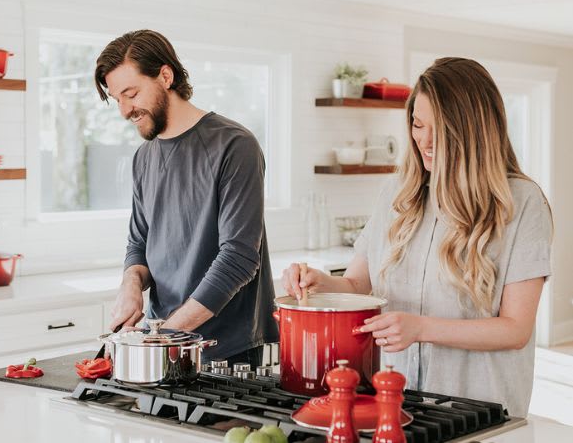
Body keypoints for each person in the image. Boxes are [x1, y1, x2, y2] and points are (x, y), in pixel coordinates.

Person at [282, 57, 552, 416]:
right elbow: (359, 284)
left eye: (439, 128)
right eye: (417, 124)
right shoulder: (397, 193)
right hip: (394, 402)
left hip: (477, 409)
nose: (424, 140)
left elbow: (515, 329)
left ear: (474, 130)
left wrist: (422, 328)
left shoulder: (521, 203)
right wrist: (321, 283)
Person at [94, 29, 279, 366]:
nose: (124, 110)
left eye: (130, 93)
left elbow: (239, 258)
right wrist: (131, 285)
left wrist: (163, 337)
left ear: (166, 76)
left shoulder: (234, 145)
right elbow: (139, 244)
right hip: (162, 338)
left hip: (226, 350)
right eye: (116, 98)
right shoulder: (144, 157)